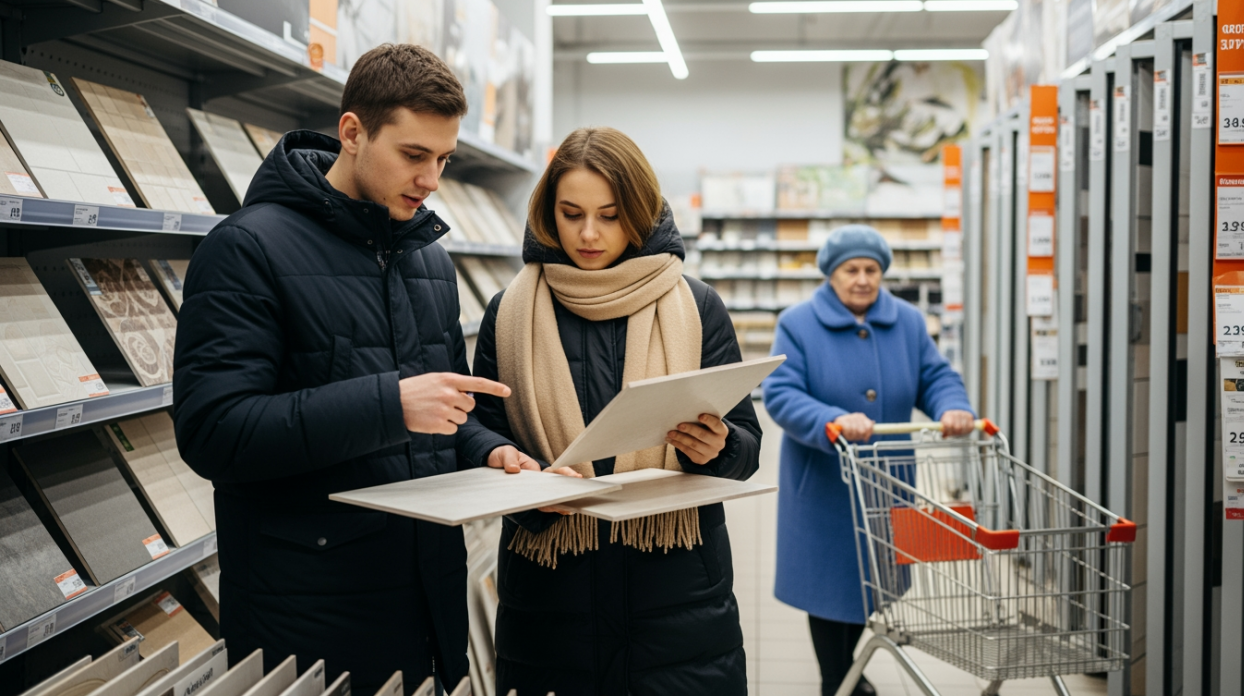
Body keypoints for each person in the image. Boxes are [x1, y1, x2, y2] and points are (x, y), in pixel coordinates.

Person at [173, 44, 539, 695]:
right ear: (352, 133)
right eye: (414, 155)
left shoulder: (428, 259)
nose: (432, 180)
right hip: (309, 611)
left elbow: (446, 408)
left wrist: (492, 453)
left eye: (444, 160)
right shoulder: (246, 248)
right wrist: (389, 405)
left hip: (426, 593)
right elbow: (213, 431)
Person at [469, 126, 763, 695]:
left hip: (677, 600)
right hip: (551, 598)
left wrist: (720, 447)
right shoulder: (509, 313)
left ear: (640, 211)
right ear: (545, 212)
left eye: (609, 214)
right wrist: (518, 475)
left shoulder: (697, 307)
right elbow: (481, 434)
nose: (588, 233)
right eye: (570, 212)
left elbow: (746, 446)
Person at [761, 224, 976, 696]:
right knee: (828, 586)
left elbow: (935, 377)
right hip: (824, 482)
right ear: (831, 275)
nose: (862, 279)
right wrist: (833, 419)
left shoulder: (908, 322)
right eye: (851, 270)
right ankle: (837, 679)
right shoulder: (797, 323)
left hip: (885, 480)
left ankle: (845, 676)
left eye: (872, 270)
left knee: (869, 581)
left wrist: (952, 407)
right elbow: (781, 393)